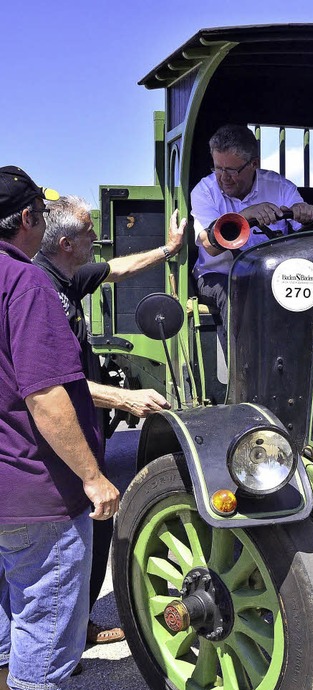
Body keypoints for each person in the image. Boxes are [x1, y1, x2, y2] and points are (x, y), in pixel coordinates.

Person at [35, 195, 186, 646]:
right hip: (63, 440)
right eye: (87, 235)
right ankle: (56, 650)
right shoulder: (41, 291)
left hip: (86, 430)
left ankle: (77, 627)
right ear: (65, 243)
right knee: (68, 541)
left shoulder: (67, 276)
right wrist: (124, 398)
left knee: (93, 533)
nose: (96, 241)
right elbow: (54, 384)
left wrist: (168, 250)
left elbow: (117, 268)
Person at [0, 166, 119, 690]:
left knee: (3, 642)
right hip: (36, 497)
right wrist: (93, 477)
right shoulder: (26, 285)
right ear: (27, 219)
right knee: (43, 653)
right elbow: (45, 394)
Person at [190, 124, 313, 340]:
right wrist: (245, 216)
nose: (223, 177)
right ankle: (242, 371)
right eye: (217, 168)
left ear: (254, 164)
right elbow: (210, 245)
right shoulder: (204, 191)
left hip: (274, 275)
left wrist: (304, 215)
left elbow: (306, 235)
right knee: (236, 296)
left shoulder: (281, 187)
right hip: (218, 275)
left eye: (231, 170)